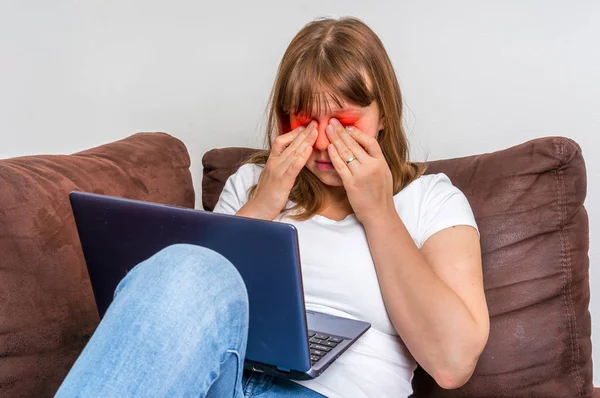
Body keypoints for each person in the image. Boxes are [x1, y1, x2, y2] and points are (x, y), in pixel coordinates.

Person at [56, 16, 489, 398]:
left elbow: (452, 364)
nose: (321, 142)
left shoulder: (430, 199)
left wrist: (378, 212)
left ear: (384, 116)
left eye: (342, 122)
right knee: (185, 264)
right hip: (220, 380)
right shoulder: (249, 184)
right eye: (304, 121)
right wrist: (264, 202)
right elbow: (188, 306)